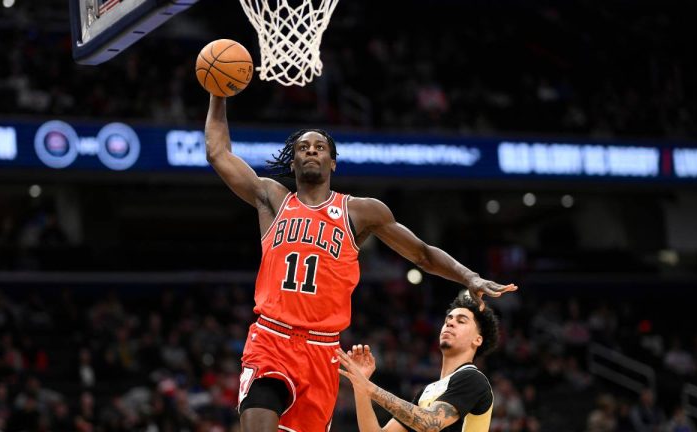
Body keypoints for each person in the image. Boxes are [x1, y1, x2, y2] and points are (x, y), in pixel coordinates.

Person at [205, 94, 517, 432]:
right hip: (272, 339)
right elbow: (218, 153)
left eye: (320, 147)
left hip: (323, 351)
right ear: (292, 162)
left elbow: (423, 254)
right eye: (303, 147)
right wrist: (218, 94)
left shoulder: (360, 212)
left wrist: (468, 276)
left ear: (333, 163)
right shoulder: (272, 199)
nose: (311, 150)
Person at [337, 292, 499, 431]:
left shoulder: (473, 379)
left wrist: (370, 388)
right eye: (448, 319)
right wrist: (361, 385)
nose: (449, 322)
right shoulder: (427, 392)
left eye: (461, 321)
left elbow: (430, 424)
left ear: (478, 340)